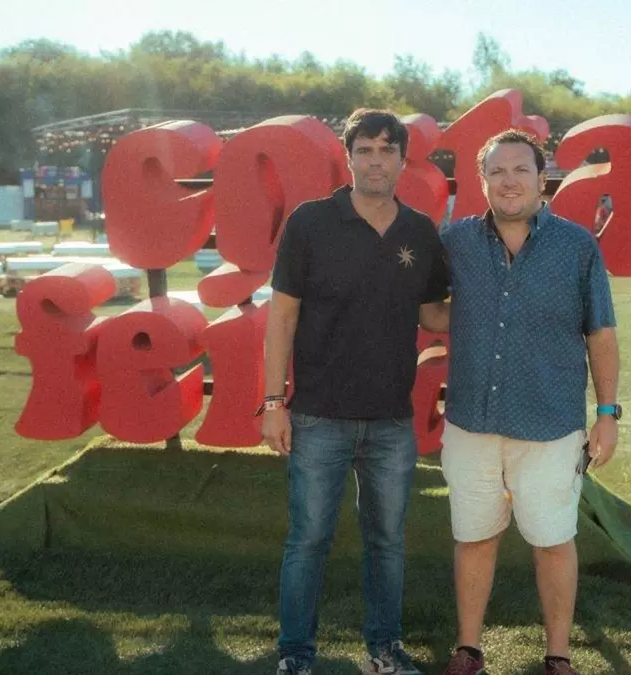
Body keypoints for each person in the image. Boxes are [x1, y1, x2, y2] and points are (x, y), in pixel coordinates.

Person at [260, 108, 451, 675]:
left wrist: (500, 299)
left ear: (402, 160)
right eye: (364, 150)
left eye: (387, 150)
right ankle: (296, 655)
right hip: (318, 416)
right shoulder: (310, 222)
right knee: (308, 541)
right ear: (348, 158)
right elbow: (282, 318)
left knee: (387, 542)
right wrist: (273, 402)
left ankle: (384, 651)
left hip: (392, 419)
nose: (375, 161)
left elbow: (433, 315)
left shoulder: (419, 231)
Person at [434, 130, 621, 675]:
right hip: (471, 422)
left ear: (542, 180)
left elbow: (601, 333)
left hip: (550, 424)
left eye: (521, 170)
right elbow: (428, 308)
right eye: (497, 171)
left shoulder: (576, 246)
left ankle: (558, 656)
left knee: (553, 541)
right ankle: (468, 650)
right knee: (474, 538)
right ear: (482, 181)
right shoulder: (456, 242)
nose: (509, 180)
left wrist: (607, 414)